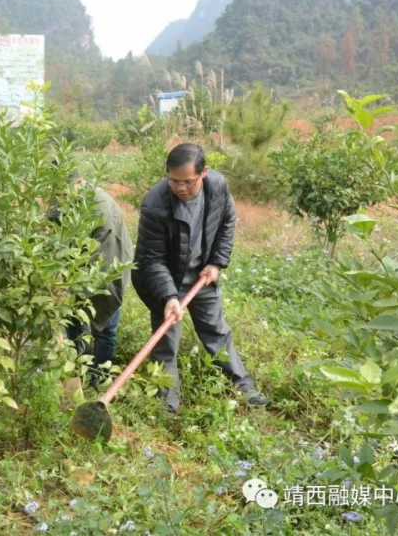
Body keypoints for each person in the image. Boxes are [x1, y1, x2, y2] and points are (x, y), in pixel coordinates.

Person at [131, 143, 269, 414]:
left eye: (188, 182)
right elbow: (152, 260)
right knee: (165, 341)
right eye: (174, 181)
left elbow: (228, 221)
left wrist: (216, 262)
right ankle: (167, 406)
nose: (181, 188)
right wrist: (170, 297)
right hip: (163, 279)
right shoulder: (155, 204)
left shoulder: (217, 187)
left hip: (200, 276)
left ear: (203, 173)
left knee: (216, 332)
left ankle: (244, 388)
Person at [64, 174, 133, 387]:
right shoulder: (70, 198)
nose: (60, 197)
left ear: (79, 182)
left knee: (104, 328)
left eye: (63, 190)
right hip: (81, 272)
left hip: (107, 271)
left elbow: (101, 254)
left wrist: (72, 287)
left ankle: (99, 379)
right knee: (75, 326)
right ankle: (76, 375)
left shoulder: (99, 206)